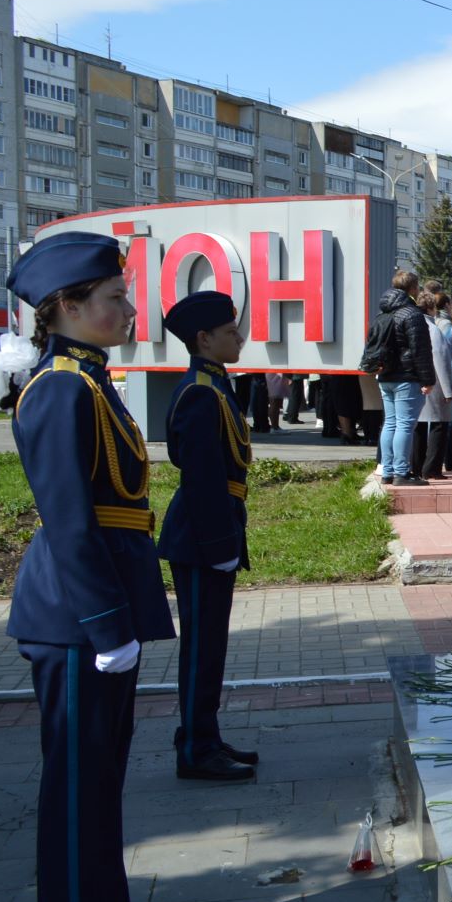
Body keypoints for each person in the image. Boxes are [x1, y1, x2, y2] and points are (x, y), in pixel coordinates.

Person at [4, 232, 177, 902]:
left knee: (98, 782)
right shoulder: (60, 389)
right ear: (67, 307)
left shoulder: (88, 379)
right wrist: (107, 626)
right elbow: (71, 519)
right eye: (112, 298)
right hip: (77, 618)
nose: (126, 308)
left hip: (97, 608)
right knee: (77, 789)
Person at [158, 292, 257, 785]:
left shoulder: (214, 385)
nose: (239, 337)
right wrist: (221, 545)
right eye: (230, 331)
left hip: (212, 530)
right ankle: (196, 746)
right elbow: (202, 479)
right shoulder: (201, 392)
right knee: (201, 646)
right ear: (204, 339)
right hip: (201, 536)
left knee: (211, 644)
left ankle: (206, 736)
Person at [369, 270, 436, 486]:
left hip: (385, 376)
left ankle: (387, 471)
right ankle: (401, 472)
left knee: (390, 423)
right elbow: (421, 350)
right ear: (413, 289)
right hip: (406, 377)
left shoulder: (383, 313)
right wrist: (428, 380)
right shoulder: (412, 314)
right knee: (405, 425)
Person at [413, 290, 452, 479]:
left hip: (416, 381)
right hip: (435, 383)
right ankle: (432, 468)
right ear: (432, 309)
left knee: (418, 426)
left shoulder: (412, 326)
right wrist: (447, 389)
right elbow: (440, 358)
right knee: (440, 425)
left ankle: (417, 465)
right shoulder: (433, 329)